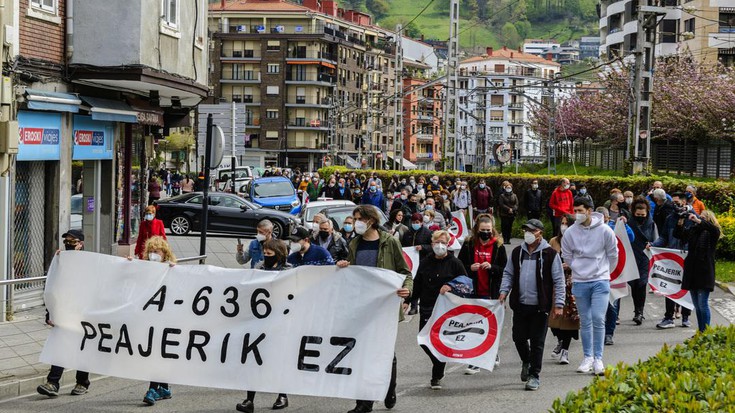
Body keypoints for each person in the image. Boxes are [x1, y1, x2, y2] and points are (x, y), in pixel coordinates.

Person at [336, 205, 412, 413]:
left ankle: (389, 387)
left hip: (384, 306)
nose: (355, 222)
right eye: (354, 219)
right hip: (361, 306)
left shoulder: (390, 241)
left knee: (386, 351)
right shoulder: (354, 243)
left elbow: (405, 271)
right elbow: (353, 272)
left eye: (359, 218)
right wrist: (344, 266)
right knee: (362, 352)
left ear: (371, 220)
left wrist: (406, 289)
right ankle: (364, 401)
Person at [499, 219, 565, 391]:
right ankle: (526, 361)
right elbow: (508, 273)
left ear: (540, 233)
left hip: (540, 306)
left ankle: (534, 375)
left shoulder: (550, 254)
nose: (528, 233)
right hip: (521, 304)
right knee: (518, 338)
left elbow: (559, 280)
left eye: (532, 230)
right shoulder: (516, 253)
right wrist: (504, 292)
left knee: (537, 341)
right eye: (526, 230)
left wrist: (558, 304)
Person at [561, 198, 618, 376]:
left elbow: (613, 255)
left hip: (600, 280)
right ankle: (587, 357)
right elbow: (567, 255)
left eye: (580, 210)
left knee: (598, 318)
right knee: (585, 320)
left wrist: (604, 272)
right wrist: (578, 269)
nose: (576, 214)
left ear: (589, 210)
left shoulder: (605, 230)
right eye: (574, 210)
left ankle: (598, 359)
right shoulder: (570, 232)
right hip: (580, 281)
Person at [236, 239, 291, 413]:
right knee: (253, 359)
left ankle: (282, 395)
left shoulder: (289, 270)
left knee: (278, 359)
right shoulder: (259, 267)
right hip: (259, 319)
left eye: (269, 254)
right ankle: (249, 399)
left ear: (279, 254)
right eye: (265, 253)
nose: (265, 257)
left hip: (281, 321)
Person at [37, 230, 91, 398]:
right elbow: (53, 288)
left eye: (72, 241)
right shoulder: (60, 261)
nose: (68, 244)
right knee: (60, 345)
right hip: (64, 311)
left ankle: (82, 382)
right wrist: (49, 312)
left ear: (80, 244)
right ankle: (53, 383)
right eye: (66, 241)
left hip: (83, 313)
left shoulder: (90, 263)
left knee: (82, 348)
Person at [414, 230, 468, 389]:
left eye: (443, 243)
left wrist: (451, 286)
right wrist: (409, 301)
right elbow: (418, 283)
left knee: (440, 340)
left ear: (448, 244)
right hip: (427, 307)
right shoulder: (425, 262)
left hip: (447, 310)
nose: (439, 246)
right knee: (423, 341)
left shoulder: (455, 263)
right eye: (437, 243)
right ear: (431, 244)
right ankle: (439, 362)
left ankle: (436, 373)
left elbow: (466, 284)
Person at [457, 214, 507, 374]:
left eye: (488, 230)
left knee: (491, 324)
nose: (485, 232)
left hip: (492, 292)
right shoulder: (469, 244)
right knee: (474, 325)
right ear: (476, 229)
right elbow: (459, 265)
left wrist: (492, 267)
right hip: (473, 291)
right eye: (482, 230)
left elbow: (505, 270)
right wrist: (469, 268)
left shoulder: (499, 246)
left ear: (492, 230)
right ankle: (475, 360)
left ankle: (493, 352)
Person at [136, 236, 177, 406]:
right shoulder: (144, 268)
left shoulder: (172, 269)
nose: (153, 254)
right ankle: (163, 388)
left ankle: (153, 389)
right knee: (156, 353)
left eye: (157, 251)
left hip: (166, 320)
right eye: (151, 251)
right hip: (150, 318)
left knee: (158, 352)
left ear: (164, 253)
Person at [652, 194, 694, 329]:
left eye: (677, 202)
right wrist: (653, 245)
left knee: (685, 288)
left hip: (687, 259)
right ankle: (668, 317)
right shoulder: (670, 219)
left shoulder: (693, 218)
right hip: (671, 258)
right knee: (669, 287)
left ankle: (686, 317)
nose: (675, 205)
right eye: (673, 202)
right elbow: (664, 237)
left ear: (684, 202)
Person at [676, 210, 720, 332]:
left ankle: (705, 332)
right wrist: (680, 222)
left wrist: (698, 220)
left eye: (703, 218)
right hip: (692, 270)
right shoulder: (695, 231)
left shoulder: (713, 232)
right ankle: (701, 331)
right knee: (697, 305)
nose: (699, 219)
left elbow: (712, 228)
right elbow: (680, 236)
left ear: (709, 220)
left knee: (702, 304)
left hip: (705, 271)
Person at [596, 207, 634, 346]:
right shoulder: (589, 230)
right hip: (596, 273)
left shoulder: (614, 228)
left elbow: (630, 238)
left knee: (612, 304)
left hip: (615, 273)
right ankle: (598, 332)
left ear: (607, 218)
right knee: (596, 305)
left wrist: (625, 225)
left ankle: (609, 333)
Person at [548, 215, 580, 365]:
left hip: (572, 283)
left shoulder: (579, 241)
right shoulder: (554, 241)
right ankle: (560, 339)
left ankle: (565, 350)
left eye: (567, 223)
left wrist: (571, 265)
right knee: (553, 319)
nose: (564, 226)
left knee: (569, 318)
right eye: (562, 223)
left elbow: (584, 260)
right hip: (555, 283)